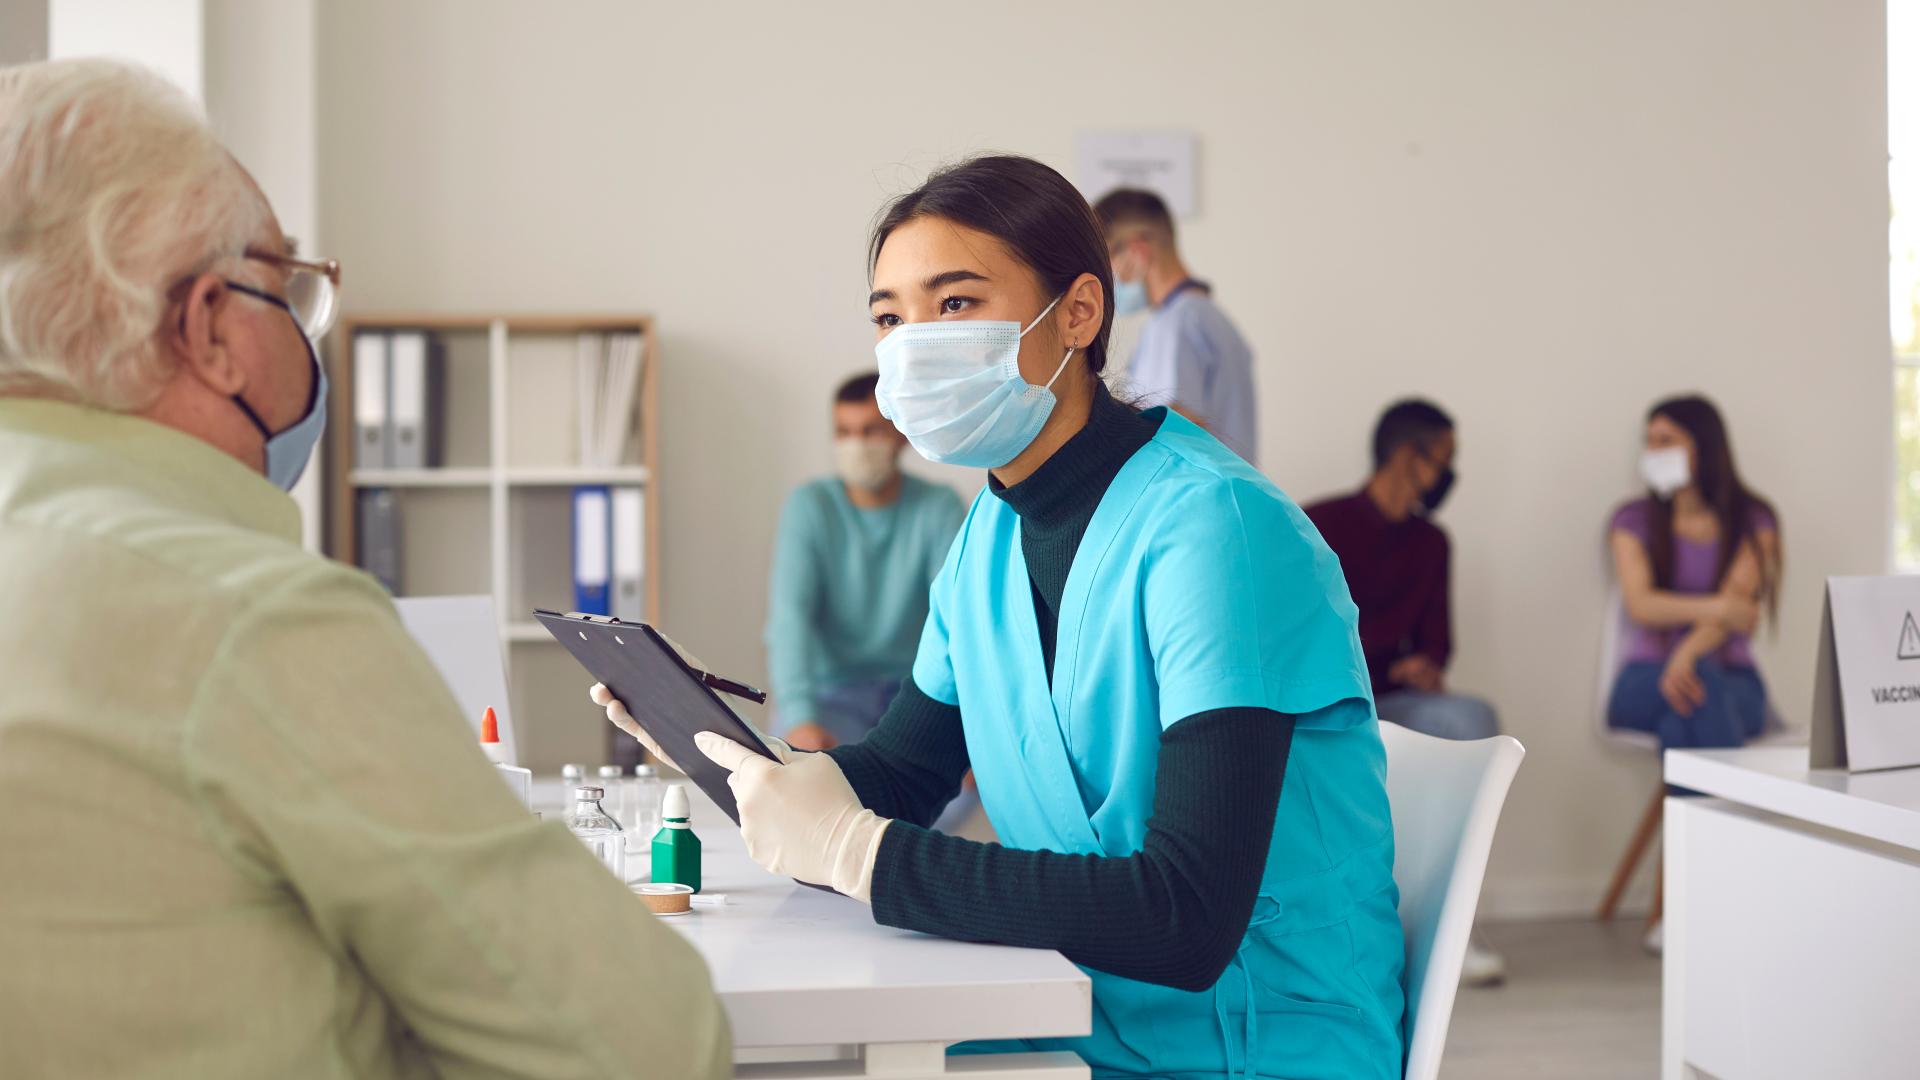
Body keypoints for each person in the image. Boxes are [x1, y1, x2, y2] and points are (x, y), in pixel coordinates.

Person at [597, 155, 1403, 1079]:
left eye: (955, 304)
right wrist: (729, 755)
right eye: (890, 318)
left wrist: (864, 856)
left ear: (1079, 312)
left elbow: (1185, 919)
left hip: (1248, 1038)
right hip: (1079, 1002)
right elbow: (903, 772)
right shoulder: (992, 529)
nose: (911, 345)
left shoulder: (1217, 530)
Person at [0, 59, 728, 1077]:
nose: (308, 326)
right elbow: (646, 1047)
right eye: (287, 286)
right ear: (210, 327)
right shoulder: (252, 619)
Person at [1304, 398, 1508, 986]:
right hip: (1331, 700)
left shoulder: (1431, 543)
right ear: (1406, 456)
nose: (1448, 474)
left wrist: (1428, 666)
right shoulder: (1321, 521)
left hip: (1392, 699)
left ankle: (1454, 924)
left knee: (1474, 717)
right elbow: (1306, 636)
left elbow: (1438, 644)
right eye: (1443, 459)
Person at [764, 373, 965, 752]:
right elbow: (790, 619)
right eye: (844, 432)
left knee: (963, 784)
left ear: (900, 433)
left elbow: (959, 622)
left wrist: (969, 721)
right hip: (830, 695)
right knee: (798, 777)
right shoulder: (810, 506)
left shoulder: (939, 507)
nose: (856, 444)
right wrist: (801, 717)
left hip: (917, 694)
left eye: (870, 431)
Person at [1607, 395, 1781, 754]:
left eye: (1666, 441)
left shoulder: (1754, 520)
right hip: (1645, 679)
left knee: (1681, 721)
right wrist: (1722, 609)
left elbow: (1737, 605)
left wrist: (1685, 654)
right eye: (1649, 442)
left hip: (1736, 680)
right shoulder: (1632, 520)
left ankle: (1688, 811)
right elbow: (1641, 605)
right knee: (1700, 693)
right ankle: (1735, 809)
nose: (1654, 452)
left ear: (1703, 447)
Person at [1093, 187, 1259, 464]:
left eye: (1105, 259)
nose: (1104, 276)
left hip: (1193, 499)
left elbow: (1172, 428)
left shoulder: (1177, 323)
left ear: (1138, 250)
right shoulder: (1206, 315)